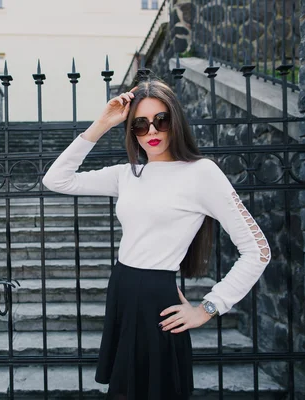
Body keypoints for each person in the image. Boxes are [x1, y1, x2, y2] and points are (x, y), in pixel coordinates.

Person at [42, 77, 271, 400]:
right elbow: (56, 179)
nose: (152, 131)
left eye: (160, 121)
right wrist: (102, 123)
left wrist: (207, 308)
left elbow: (258, 249)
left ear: (174, 121)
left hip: (156, 299)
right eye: (140, 124)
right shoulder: (128, 174)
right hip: (122, 289)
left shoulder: (201, 173)